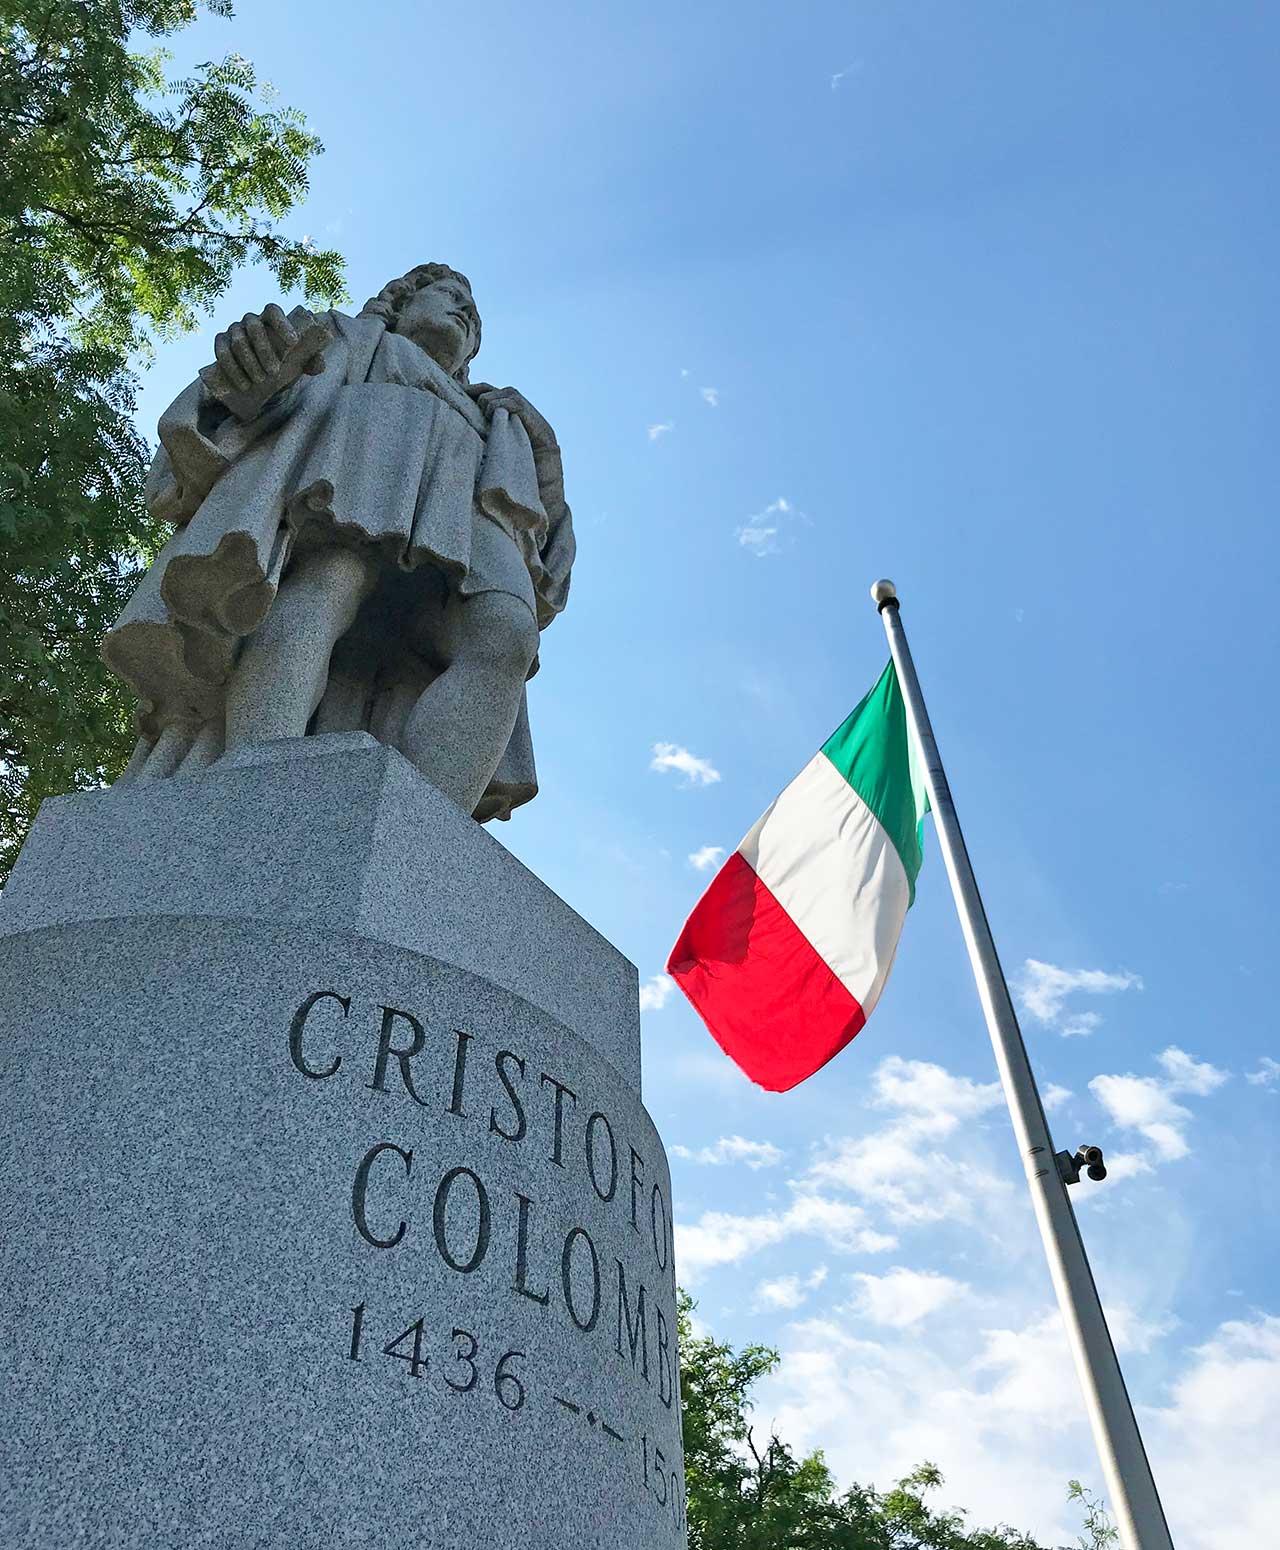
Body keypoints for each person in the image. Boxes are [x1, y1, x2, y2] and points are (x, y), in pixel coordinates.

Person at [104, 263, 574, 821]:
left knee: (508, 630)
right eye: (450, 297)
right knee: (333, 575)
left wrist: (545, 460)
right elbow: (237, 403)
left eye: (473, 320)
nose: (465, 316)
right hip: (353, 450)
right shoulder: (342, 335)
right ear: (400, 303)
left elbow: (546, 570)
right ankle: (254, 775)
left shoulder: (499, 418)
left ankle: (424, 827)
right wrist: (249, 375)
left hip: (466, 499)